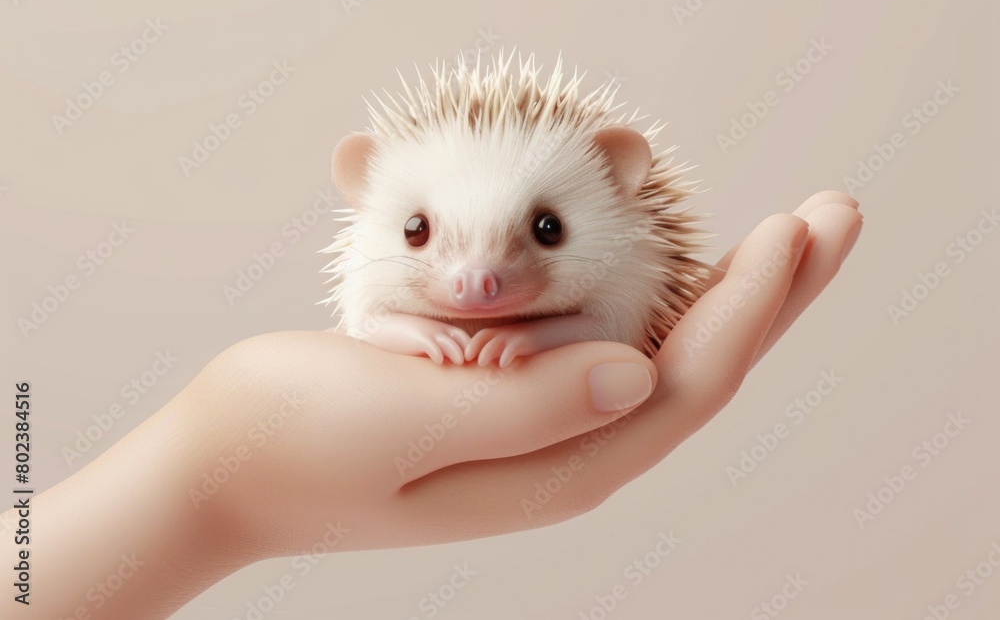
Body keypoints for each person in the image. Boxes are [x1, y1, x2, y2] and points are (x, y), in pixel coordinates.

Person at [2, 191, 862, 619]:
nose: (475, 277)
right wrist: (204, 492)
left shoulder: (623, 267)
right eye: (422, 234)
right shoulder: (381, 283)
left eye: (544, 231)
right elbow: (372, 320)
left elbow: (619, 326)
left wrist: (199, 493)